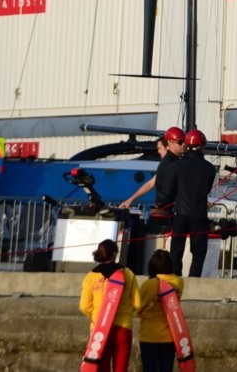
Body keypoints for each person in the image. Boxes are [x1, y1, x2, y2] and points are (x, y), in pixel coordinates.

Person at [79, 238, 141, 371]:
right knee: (121, 368)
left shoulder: (90, 277)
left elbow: (84, 306)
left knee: (102, 368)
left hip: (100, 328)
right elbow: (137, 303)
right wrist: (127, 313)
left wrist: (96, 316)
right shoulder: (127, 273)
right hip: (123, 328)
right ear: (114, 254)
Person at [163, 128, 215, 277]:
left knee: (176, 250)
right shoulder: (209, 169)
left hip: (180, 212)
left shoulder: (176, 166)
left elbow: (168, 191)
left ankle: (175, 279)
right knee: (198, 251)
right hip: (199, 214)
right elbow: (206, 189)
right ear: (202, 146)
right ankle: (193, 281)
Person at [136, 249, 184, 372]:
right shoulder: (178, 282)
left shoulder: (150, 285)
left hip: (149, 336)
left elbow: (138, 308)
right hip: (170, 335)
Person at [118, 133, 176, 210]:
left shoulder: (170, 164)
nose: (158, 151)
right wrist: (130, 199)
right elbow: (151, 183)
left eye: (160, 148)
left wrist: (130, 199)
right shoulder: (166, 165)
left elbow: (151, 184)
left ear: (168, 147)